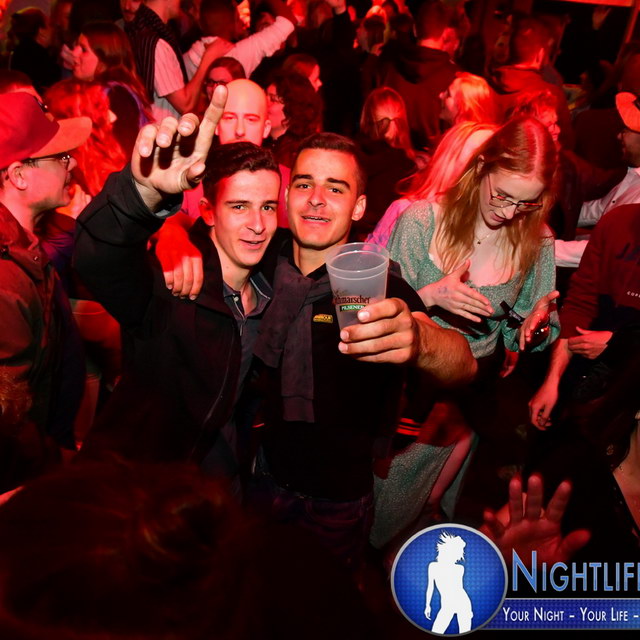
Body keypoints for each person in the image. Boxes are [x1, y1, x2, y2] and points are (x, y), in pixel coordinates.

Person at [250, 132, 476, 569]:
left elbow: (462, 364)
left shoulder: (372, 283)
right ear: (287, 195)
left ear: (358, 207)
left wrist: (420, 341)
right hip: (259, 477)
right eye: (304, 183)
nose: (316, 199)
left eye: (336, 189)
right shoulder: (260, 258)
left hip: (335, 501)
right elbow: (202, 227)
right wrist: (173, 237)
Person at [74, 98, 281, 480]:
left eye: (268, 207)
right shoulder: (170, 284)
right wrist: (141, 196)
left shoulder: (272, 292)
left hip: (217, 484)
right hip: (139, 488)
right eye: (239, 207)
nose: (257, 224)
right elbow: (96, 258)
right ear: (208, 211)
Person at [0, 93, 90, 491]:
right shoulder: (6, 279)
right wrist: (61, 470)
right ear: (19, 175)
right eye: (59, 157)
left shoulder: (25, 250)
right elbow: (8, 421)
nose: (72, 164)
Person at [369, 122, 498, 248]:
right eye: (477, 152)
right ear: (449, 159)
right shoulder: (405, 210)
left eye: (494, 155)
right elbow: (368, 258)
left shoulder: (492, 225)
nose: (486, 162)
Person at [375, 0, 461, 150]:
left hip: (388, 152)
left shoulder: (390, 67)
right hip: (430, 157)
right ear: (445, 33)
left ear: (415, 30)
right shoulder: (455, 78)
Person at [126, 0, 232, 119]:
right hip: (161, 127)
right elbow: (185, 105)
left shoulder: (141, 30)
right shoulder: (156, 43)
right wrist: (209, 57)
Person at [71, 21, 152, 155]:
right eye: (76, 46)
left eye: (84, 50)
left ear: (105, 58)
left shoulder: (118, 95)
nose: (74, 53)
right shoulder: (88, 89)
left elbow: (124, 150)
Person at [354, 86, 417, 238]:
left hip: (355, 240)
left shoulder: (353, 158)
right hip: (390, 244)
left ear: (367, 118)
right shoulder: (408, 166)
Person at [184, 0, 296, 80]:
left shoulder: (185, 58)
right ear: (232, 23)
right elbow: (288, 22)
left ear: (201, 24)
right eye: (238, 17)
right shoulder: (240, 53)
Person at [265, 70, 323, 168]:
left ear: (294, 108)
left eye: (273, 99)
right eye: (264, 96)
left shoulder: (299, 154)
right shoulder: (265, 142)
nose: (264, 104)